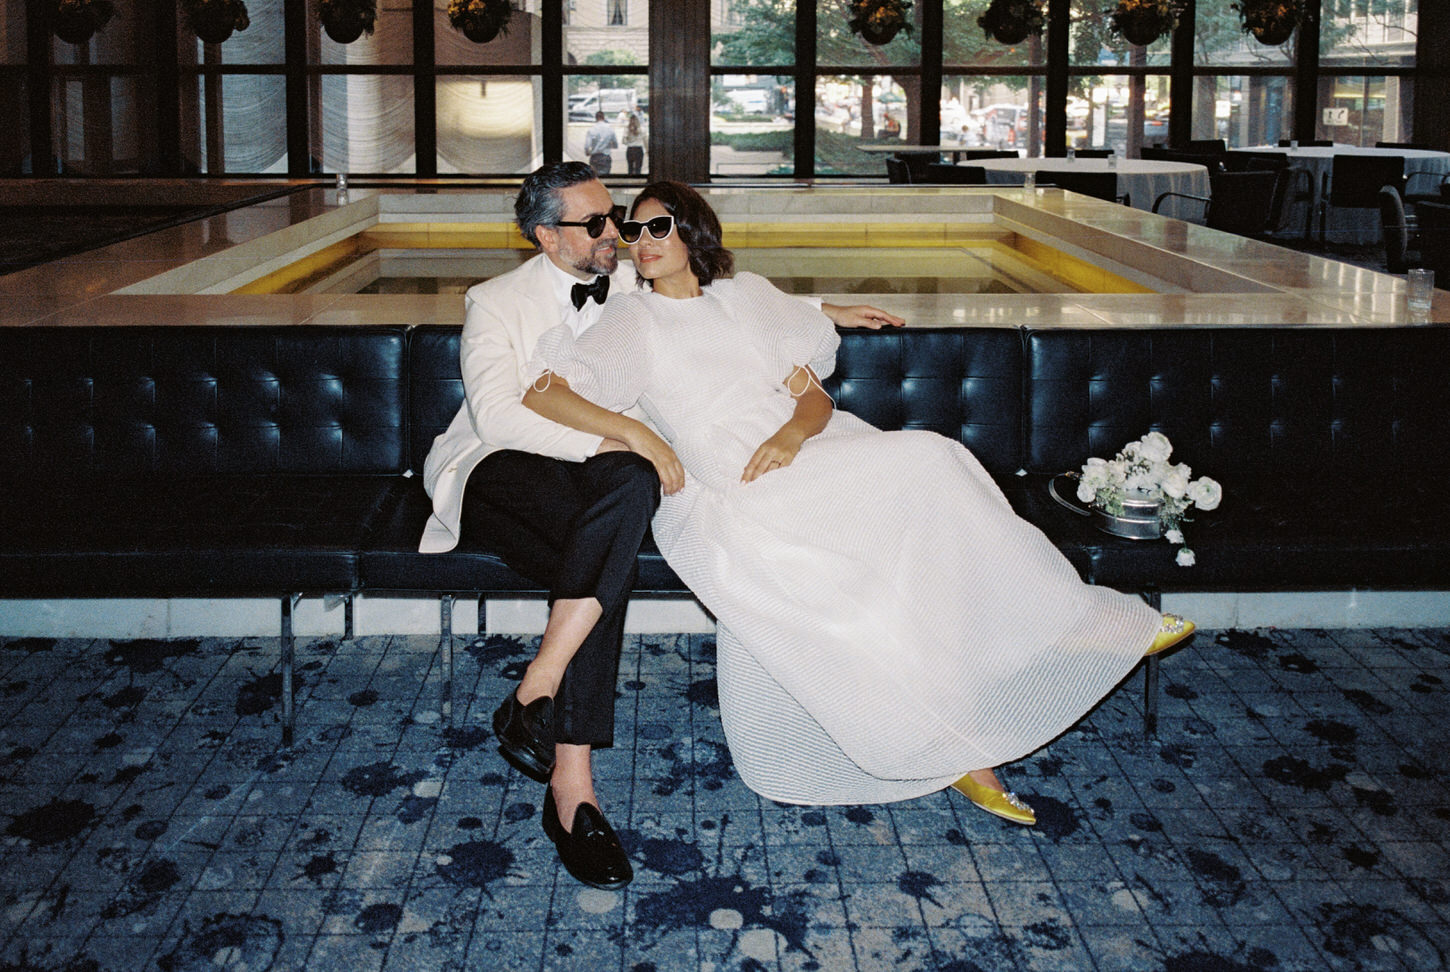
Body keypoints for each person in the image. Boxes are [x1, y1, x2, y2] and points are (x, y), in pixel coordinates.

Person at [521, 181, 1196, 826]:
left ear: (694, 234)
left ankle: (1061, 622)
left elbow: (812, 395)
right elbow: (545, 390)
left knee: (932, 462)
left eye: (658, 226)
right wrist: (637, 432)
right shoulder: (632, 319)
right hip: (729, 481)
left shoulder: (746, 296)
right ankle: (957, 744)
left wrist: (792, 432)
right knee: (855, 568)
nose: (641, 240)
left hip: (808, 452)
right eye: (633, 229)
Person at [420, 163, 904, 889]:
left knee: (614, 514)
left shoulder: (628, 277)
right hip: (499, 467)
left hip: (601, 472)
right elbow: (499, 415)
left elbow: (719, 300)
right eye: (594, 224)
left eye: (613, 216)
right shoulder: (494, 301)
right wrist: (623, 437)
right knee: (614, 513)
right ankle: (567, 778)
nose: (615, 232)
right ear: (548, 238)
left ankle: (550, 726)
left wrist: (828, 307)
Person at [584, 111, 618, 177]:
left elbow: (587, 146)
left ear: (596, 118)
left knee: (594, 179)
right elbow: (615, 145)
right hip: (606, 156)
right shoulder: (610, 129)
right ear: (603, 117)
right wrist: (607, 145)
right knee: (605, 179)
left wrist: (587, 152)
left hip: (595, 156)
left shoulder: (591, 129)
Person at [622, 111, 645, 176]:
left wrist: (629, 142)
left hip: (630, 149)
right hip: (639, 149)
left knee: (630, 168)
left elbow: (623, 141)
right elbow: (645, 140)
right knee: (638, 168)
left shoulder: (627, 129)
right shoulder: (642, 129)